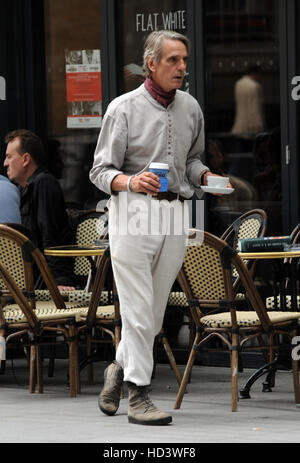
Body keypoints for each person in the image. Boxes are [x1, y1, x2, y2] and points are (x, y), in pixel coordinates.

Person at [90, 30, 227, 426]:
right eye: (173, 60)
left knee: (153, 310)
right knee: (136, 308)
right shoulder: (123, 108)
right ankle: (139, 395)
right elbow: (100, 171)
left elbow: (193, 160)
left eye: (184, 60)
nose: (182, 67)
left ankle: (118, 367)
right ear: (151, 63)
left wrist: (205, 179)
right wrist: (132, 181)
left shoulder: (191, 108)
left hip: (175, 216)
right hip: (132, 212)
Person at [4, 129, 75, 291]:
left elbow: (50, 234)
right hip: (31, 282)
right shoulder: (24, 189)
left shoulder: (44, 184)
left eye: (9, 157)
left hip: (46, 283)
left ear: (25, 159)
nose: (5, 163)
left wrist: (59, 280)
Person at [231, 65, 265, 137]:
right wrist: (261, 127)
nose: (261, 77)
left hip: (239, 127)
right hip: (252, 128)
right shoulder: (256, 86)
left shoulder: (238, 84)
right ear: (255, 74)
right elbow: (256, 109)